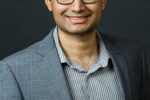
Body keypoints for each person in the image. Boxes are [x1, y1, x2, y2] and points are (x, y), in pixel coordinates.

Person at [0, 0, 147, 100]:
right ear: (49, 2)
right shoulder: (13, 71)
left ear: (103, 1)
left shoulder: (133, 55)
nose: (77, 7)